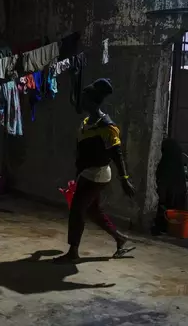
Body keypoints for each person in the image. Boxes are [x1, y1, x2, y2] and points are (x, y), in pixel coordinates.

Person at [54, 78, 136, 263]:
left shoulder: (107, 126)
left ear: (92, 101)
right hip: (86, 173)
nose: (81, 102)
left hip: (97, 174)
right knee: (93, 211)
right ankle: (119, 239)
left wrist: (124, 178)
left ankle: (73, 252)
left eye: (84, 99)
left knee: (77, 210)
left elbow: (117, 154)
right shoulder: (86, 122)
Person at [152, 138, 188, 235]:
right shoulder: (178, 167)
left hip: (168, 207)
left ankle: (163, 225)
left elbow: (162, 186)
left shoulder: (166, 165)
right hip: (178, 207)